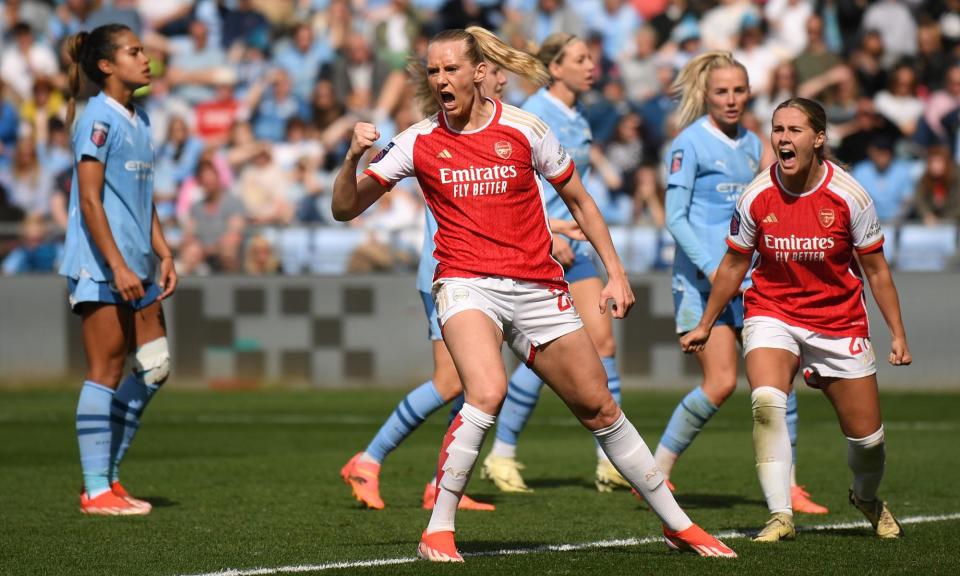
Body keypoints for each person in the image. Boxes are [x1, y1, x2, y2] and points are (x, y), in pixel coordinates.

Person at [332, 26, 735, 562]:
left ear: (479, 73)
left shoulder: (524, 128)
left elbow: (582, 202)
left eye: (450, 69)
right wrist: (351, 158)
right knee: (485, 390)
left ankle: (678, 526)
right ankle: (438, 530)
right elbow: (345, 208)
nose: (440, 80)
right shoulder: (417, 140)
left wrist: (614, 272)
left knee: (599, 406)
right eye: (433, 71)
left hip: (538, 287)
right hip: (465, 284)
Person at [680, 97, 911, 542]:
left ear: (819, 138)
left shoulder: (849, 196)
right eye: (777, 129)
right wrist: (707, 323)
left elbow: (877, 271)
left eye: (794, 130)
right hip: (772, 311)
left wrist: (898, 334)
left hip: (837, 321)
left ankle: (865, 497)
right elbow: (732, 266)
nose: (783, 139)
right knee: (767, 403)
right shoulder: (756, 195)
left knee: (868, 443)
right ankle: (780, 514)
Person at [652, 51, 828, 515]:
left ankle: (789, 486)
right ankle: (655, 472)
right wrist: (713, 269)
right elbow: (674, 218)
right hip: (702, 282)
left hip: (749, 282)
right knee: (721, 384)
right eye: (722, 92)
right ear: (706, 95)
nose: (732, 100)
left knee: (778, 381)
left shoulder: (753, 143)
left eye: (739, 91)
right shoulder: (688, 144)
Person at [339, 63, 509, 512]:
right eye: (495, 73)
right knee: (452, 382)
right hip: (448, 273)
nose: (503, 82)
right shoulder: (442, 135)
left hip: (484, 273)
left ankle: (441, 483)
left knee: (479, 384)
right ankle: (368, 460)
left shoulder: (493, 128)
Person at [480, 31, 630, 495]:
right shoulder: (537, 112)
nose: (591, 66)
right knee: (549, 353)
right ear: (555, 68)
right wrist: (546, 230)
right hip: (542, 244)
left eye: (591, 57)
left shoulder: (578, 116)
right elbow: (517, 183)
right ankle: (503, 453)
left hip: (574, 244)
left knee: (599, 343)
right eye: (581, 58)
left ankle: (608, 461)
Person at [59, 24, 177, 516]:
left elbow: (141, 199)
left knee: (154, 367)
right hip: (102, 266)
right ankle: (94, 489)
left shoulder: (141, 118)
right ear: (106, 65)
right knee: (105, 370)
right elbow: (89, 200)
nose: (144, 58)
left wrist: (164, 252)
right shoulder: (97, 119)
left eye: (143, 50)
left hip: (138, 265)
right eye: (133, 52)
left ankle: (108, 476)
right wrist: (116, 264)